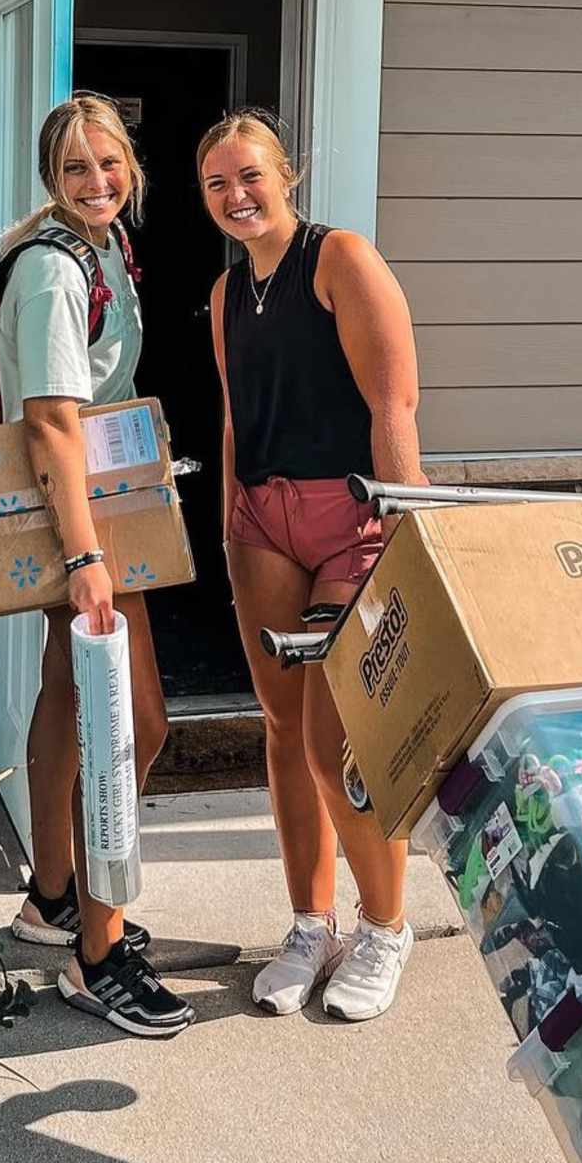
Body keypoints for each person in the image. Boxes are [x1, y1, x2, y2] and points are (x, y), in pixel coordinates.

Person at [199, 111, 426, 1022]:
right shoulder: (224, 295)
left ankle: (386, 927)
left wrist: (408, 538)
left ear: (285, 175)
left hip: (353, 521)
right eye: (216, 183)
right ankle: (310, 924)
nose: (235, 195)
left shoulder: (341, 260)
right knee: (284, 731)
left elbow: (394, 402)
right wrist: (227, 528)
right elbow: (230, 417)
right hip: (261, 524)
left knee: (340, 741)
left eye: (249, 175)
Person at [0, 94, 194, 1038]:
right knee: (132, 725)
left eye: (109, 163)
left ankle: (55, 895)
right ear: (53, 179)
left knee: (69, 699)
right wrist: (85, 557)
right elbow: (48, 420)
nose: (98, 181)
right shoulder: (53, 269)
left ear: (131, 165)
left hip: (102, 502)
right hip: (82, 517)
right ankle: (98, 955)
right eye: (77, 170)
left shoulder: (107, 249)